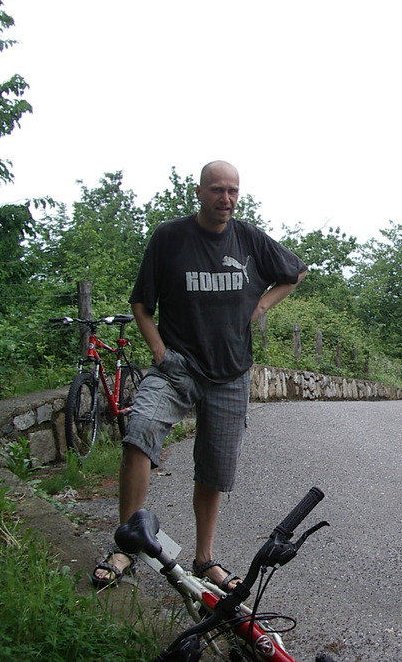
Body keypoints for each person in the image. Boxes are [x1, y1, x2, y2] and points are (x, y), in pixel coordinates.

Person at [92, 160, 307, 589]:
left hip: (230, 373)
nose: (225, 199)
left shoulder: (248, 238)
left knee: (214, 469)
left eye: (232, 191)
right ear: (199, 192)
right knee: (139, 434)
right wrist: (158, 351)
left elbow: (295, 271)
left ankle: (205, 560)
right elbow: (141, 304)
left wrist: (262, 305)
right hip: (178, 368)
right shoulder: (170, 237)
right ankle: (126, 546)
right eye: (216, 190)